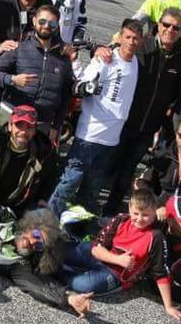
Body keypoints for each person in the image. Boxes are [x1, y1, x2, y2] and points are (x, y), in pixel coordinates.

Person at [101, 7, 181, 216]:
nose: (170, 30)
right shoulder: (143, 46)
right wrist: (98, 49)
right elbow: (115, 54)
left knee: (127, 173)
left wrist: (168, 127)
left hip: (148, 128)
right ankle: (86, 206)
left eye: (176, 28)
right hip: (122, 121)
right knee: (105, 166)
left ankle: (109, 213)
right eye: (166, 25)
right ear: (158, 25)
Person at [48, 19, 142, 218]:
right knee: (68, 183)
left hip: (111, 140)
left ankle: (75, 226)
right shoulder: (105, 59)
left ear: (140, 41)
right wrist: (86, 88)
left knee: (92, 191)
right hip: (89, 135)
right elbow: (78, 86)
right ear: (120, 37)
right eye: (127, 37)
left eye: (135, 38)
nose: (131, 42)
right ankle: (45, 222)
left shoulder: (135, 62)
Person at [62, 189, 181, 321]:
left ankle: (58, 272)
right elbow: (96, 248)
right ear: (129, 208)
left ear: (154, 213)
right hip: (104, 255)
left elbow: (161, 273)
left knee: (82, 285)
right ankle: (58, 264)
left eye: (145, 215)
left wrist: (168, 306)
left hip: (115, 274)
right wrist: (118, 259)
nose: (139, 219)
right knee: (60, 250)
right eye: (135, 213)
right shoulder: (121, 219)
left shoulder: (156, 237)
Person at [0, 207, 93, 317]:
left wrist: (68, 298)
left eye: (39, 245)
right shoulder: (6, 217)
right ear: (30, 226)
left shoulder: (18, 264)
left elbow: (37, 287)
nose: (33, 242)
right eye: (36, 235)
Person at [0, 4, 74, 139]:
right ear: (34, 21)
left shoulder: (63, 57)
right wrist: (13, 80)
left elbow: (66, 96)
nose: (46, 26)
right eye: (42, 21)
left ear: (56, 26)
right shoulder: (19, 48)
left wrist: (56, 126)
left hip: (42, 123)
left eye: (52, 23)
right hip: (12, 115)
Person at [0, 106, 60, 214]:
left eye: (29, 127)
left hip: (19, 206)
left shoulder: (44, 152)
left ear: (35, 131)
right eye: (19, 125)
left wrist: (43, 198)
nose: (23, 131)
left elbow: (50, 179)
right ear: (10, 126)